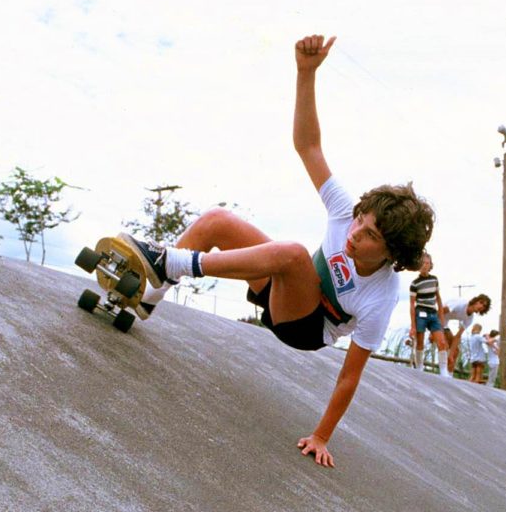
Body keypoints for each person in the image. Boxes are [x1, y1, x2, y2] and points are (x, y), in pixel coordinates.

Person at [120, 33, 434, 468]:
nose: (354, 234)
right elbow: (308, 146)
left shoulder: (383, 295)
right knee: (217, 221)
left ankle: (169, 262)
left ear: (390, 252)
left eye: (369, 237)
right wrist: (305, 74)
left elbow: (350, 375)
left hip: (304, 328)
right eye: (359, 222)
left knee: (292, 254)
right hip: (281, 286)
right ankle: (145, 298)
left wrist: (322, 436)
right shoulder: (346, 211)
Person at [408, 252, 449, 377]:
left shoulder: (434, 279)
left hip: (433, 313)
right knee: (420, 341)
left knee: (441, 341)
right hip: (421, 312)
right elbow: (412, 305)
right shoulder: (415, 284)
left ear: (431, 265)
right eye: (422, 263)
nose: (425, 266)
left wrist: (441, 318)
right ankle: (419, 367)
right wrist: (413, 326)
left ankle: (443, 370)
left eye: (427, 263)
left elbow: (438, 299)